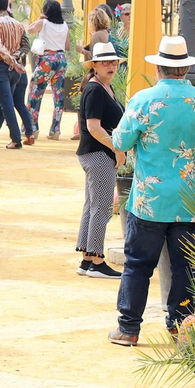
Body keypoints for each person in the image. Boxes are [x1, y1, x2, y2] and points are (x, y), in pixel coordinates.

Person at [108, 36, 195, 346]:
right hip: (192, 200)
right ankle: (180, 326)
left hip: (149, 201)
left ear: (159, 69)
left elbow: (120, 142)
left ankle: (128, 328)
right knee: (185, 267)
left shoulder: (144, 100)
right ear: (185, 70)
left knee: (138, 265)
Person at [76, 42, 126, 279]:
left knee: (93, 206)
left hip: (95, 153)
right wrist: (116, 149)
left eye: (114, 62)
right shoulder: (97, 89)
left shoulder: (103, 86)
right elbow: (93, 127)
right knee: (102, 208)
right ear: (94, 65)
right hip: (99, 153)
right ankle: (96, 258)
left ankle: (87, 257)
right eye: (106, 62)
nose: (111, 66)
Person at [0, 0, 33, 148]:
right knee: (5, 103)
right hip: (15, 69)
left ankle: (16, 139)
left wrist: (11, 60)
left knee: (6, 104)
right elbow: (26, 46)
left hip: (1, 67)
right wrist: (16, 59)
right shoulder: (18, 24)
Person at [25, 0, 70, 140]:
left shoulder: (43, 23)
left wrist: (38, 19)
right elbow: (67, 46)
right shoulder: (65, 26)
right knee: (58, 95)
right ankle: (55, 129)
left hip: (47, 59)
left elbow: (29, 30)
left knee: (35, 93)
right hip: (61, 59)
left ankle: (32, 127)